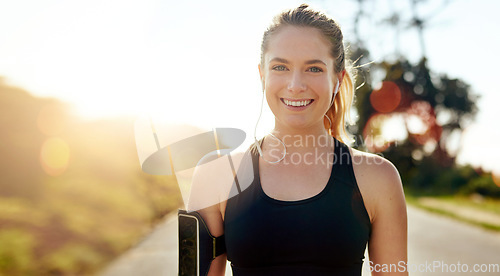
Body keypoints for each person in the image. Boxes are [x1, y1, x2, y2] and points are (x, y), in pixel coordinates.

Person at [187, 4, 407, 275]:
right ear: (262, 75)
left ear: (337, 79)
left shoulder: (378, 178)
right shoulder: (215, 176)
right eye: (280, 67)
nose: (295, 84)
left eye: (313, 69)